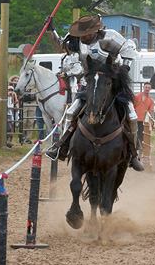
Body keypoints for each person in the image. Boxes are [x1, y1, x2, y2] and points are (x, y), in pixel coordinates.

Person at [45, 15, 144, 171]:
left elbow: (129, 47)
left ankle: (133, 152)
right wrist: (51, 30)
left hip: (112, 82)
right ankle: (61, 146)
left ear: (95, 30)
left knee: (131, 114)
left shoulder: (109, 37)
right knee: (72, 112)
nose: (84, 37)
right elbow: (60, 47)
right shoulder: (77, 41)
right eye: (82, 34)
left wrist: (125, 67)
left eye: (87, 34)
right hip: (89, 82)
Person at [134, 82, 154, 153]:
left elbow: (151, 111)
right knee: (134, 135)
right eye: (146, 87)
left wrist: (150, 121)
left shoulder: (151, 100)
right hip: (135, 120)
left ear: (150, 89)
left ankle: (141, 152)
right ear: (143, 87)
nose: (147, 89)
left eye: (149, 88)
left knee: (142, 137)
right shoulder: (136, 97)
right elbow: (132, 107)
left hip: (144, 121)